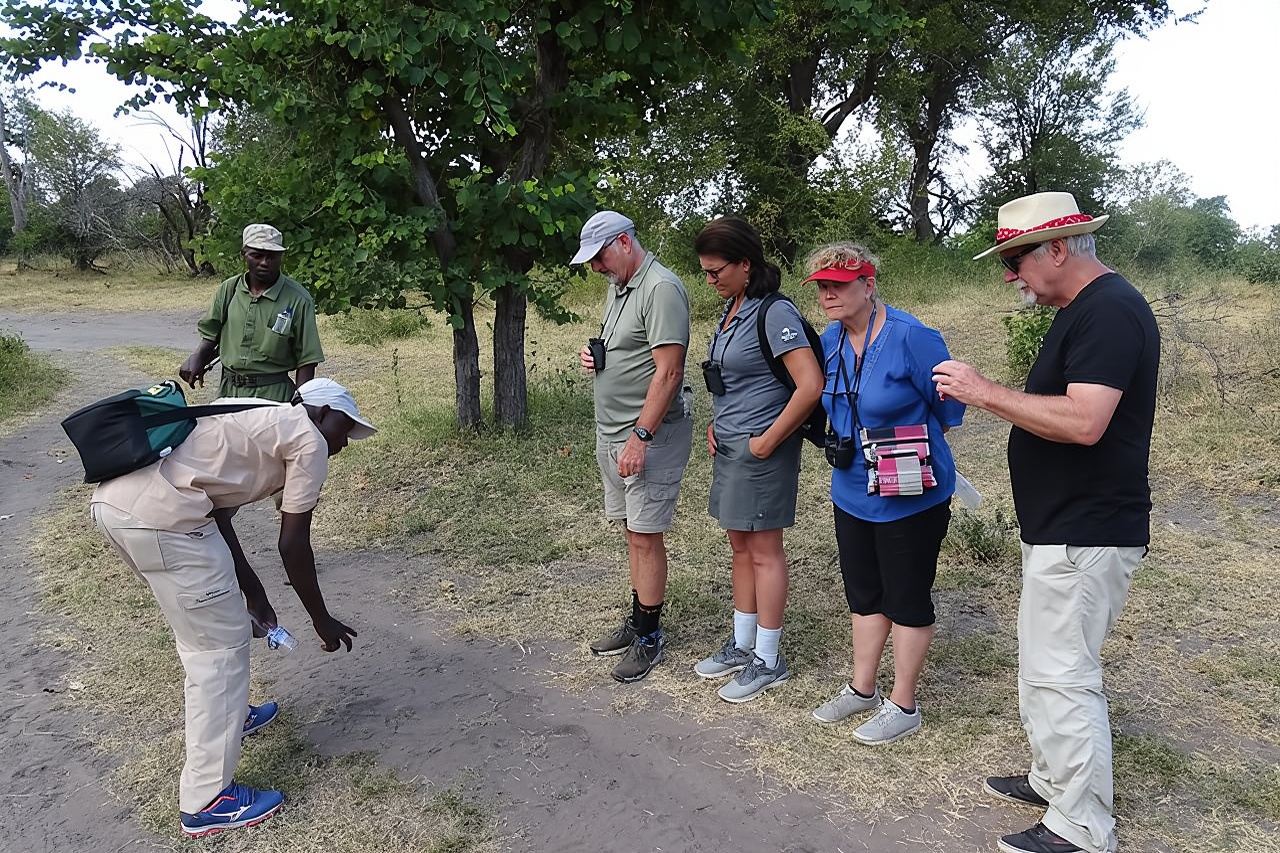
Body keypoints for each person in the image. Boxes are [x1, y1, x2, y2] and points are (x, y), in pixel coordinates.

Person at [933, 192, 1159, 853]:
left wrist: (985, 392)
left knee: (1064, 673)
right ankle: (1053, 778)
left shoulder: (1111, 311)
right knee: (1042, 665)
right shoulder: (1082, 309)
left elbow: (1085, 421)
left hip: (1089, 528)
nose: (1011, 273)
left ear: (1057, 248)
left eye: (1016, 258)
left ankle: (1083, 826)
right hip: (1064, 523)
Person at [89, 378, 376, 837]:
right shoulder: (308, 438)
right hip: (167, 521)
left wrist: (254, 592)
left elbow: (219, 513)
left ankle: (232, 715)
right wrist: (323, 621)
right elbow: (293, 545)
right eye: (345, 427)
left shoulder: (254, 412)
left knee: (201, 633)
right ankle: (207, 801)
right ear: (321, 412)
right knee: (217, 654)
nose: (345, 441)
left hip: (118, 509)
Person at [805, 242, 964, 745]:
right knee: (864, 591)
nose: (829, 294)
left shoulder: (912, 337)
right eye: (822, 286)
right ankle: (862, 687)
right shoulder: (828, 342)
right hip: (851, 486)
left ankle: (904, 703)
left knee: (907, 595)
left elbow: (950, 412)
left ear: (869, 286)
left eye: (839, 284)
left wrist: (903, 440)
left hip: (912, 489)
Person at [689, 217, 822, 702]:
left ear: (746, 263)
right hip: (730, 446)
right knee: (740, 548)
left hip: (761, 450)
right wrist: (715, 423)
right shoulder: (732, 309)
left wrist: (767, 440)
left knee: (764, 551)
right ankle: (742, 645)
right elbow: (731, 381)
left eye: (716, 270)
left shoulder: (775, 313)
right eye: (705, 272)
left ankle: (769, 657)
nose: (710, 280)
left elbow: (810, 386)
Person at [572, 210, 693, 683]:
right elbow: (629, 349)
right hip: (614, 430)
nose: (597, 267)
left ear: (623, 242)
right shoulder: (619, 285)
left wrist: (641, 437)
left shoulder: (660, 288)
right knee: (631, 532)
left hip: (646, 435)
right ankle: (638, 617)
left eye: (600, 256)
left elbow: (669, 372)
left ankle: (649, 635)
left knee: (645, 535)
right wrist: (596, 355)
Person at [180, 224, 325, 403]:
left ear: (281, 257)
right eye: (257, 255)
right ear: (244, 254)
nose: (264, 262)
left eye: (272, 256)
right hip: (229, 393)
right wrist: (198, 358)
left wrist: (301, 403)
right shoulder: (229, 289)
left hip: (274, 396)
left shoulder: (298, 299)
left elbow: (307, 360)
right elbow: (211, 335)